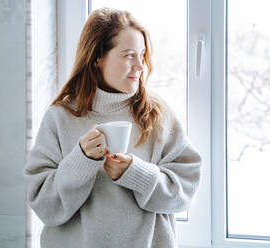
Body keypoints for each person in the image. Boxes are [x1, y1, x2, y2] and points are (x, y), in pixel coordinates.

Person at [24, 7, 202, 248]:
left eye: (142, 54)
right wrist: (81, 161)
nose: (140, 66)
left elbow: (186, 191)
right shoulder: (60, 117)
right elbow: (44, 206)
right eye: (129, 55)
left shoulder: (157, 114)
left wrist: (136, 174)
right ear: (98, 58)